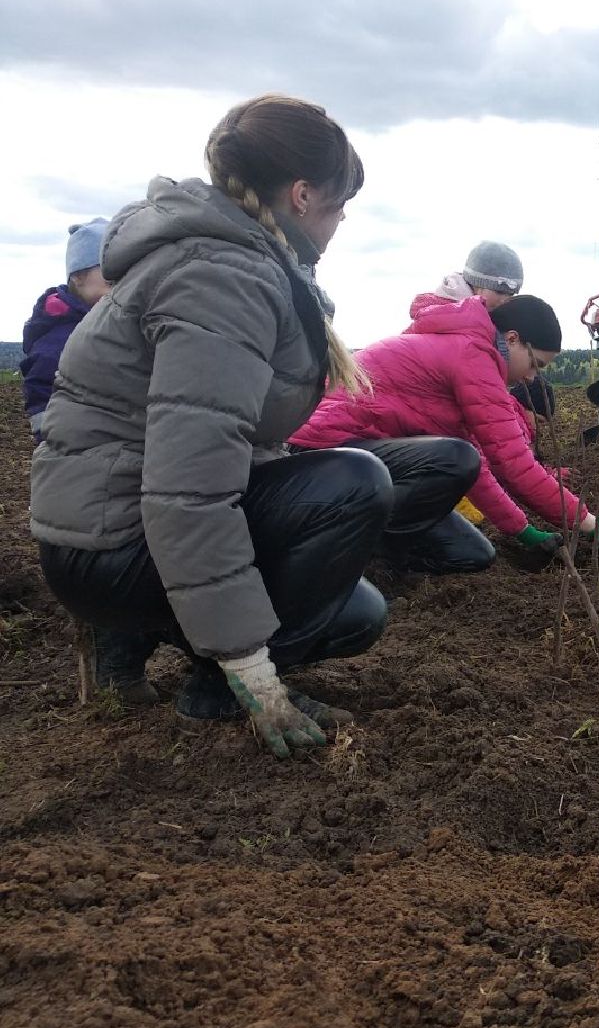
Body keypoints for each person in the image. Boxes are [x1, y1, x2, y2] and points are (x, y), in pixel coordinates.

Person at [29, 94, 478, 759]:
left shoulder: (242, 260)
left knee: (356, 614)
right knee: (357, 482)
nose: (343, 218)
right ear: (301, 196)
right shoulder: (222, 278)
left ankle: (149, 632)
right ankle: (202, 680)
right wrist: (251, 673)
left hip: (128, 525)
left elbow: (234, 447)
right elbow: (189, 489)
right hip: (112, 540)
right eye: (338, 203)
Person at [290, 291, 599, 565]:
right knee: (455, 457)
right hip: (326, 452)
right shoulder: (474, 355)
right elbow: (512, 464)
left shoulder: (467, 352)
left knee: (472, 555)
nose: (532, 377)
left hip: (367, 457)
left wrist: (522, 531)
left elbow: (478, 466)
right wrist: (594, 525)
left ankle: (380, 554)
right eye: (536, 364)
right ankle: (352, 555)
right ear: (512, 339)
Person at [21, 218, 111, 440]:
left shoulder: (103, 319)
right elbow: (41, 387)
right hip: (73, 444)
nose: (118, 288)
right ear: (78, 276)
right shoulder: (61, 333)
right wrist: (52, 438)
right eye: (110, 280)